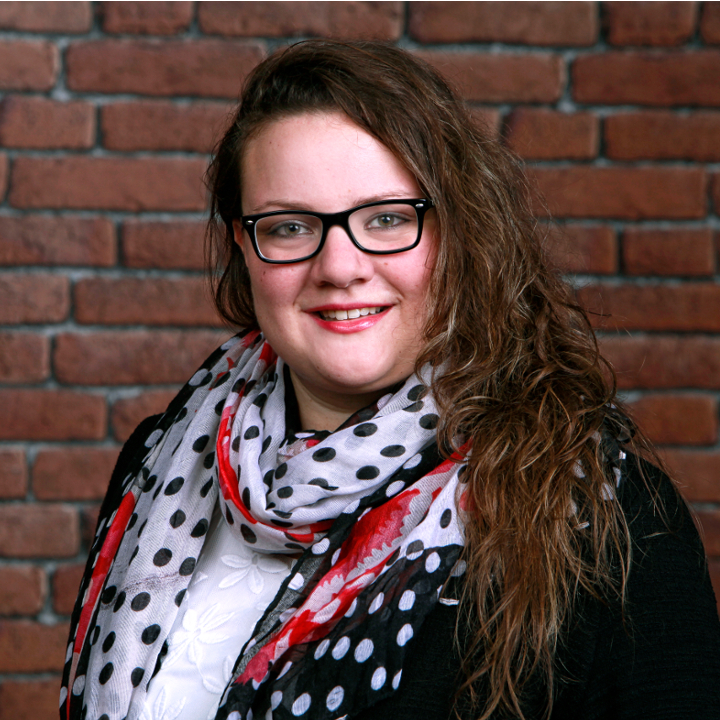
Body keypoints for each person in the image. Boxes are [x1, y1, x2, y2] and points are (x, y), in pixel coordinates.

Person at [61, 40, 720, 720]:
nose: (340, 267)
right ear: (243, 246)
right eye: (290, 227)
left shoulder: (606, 517)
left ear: (456, 231)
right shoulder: (157, 462)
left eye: (386, 219)